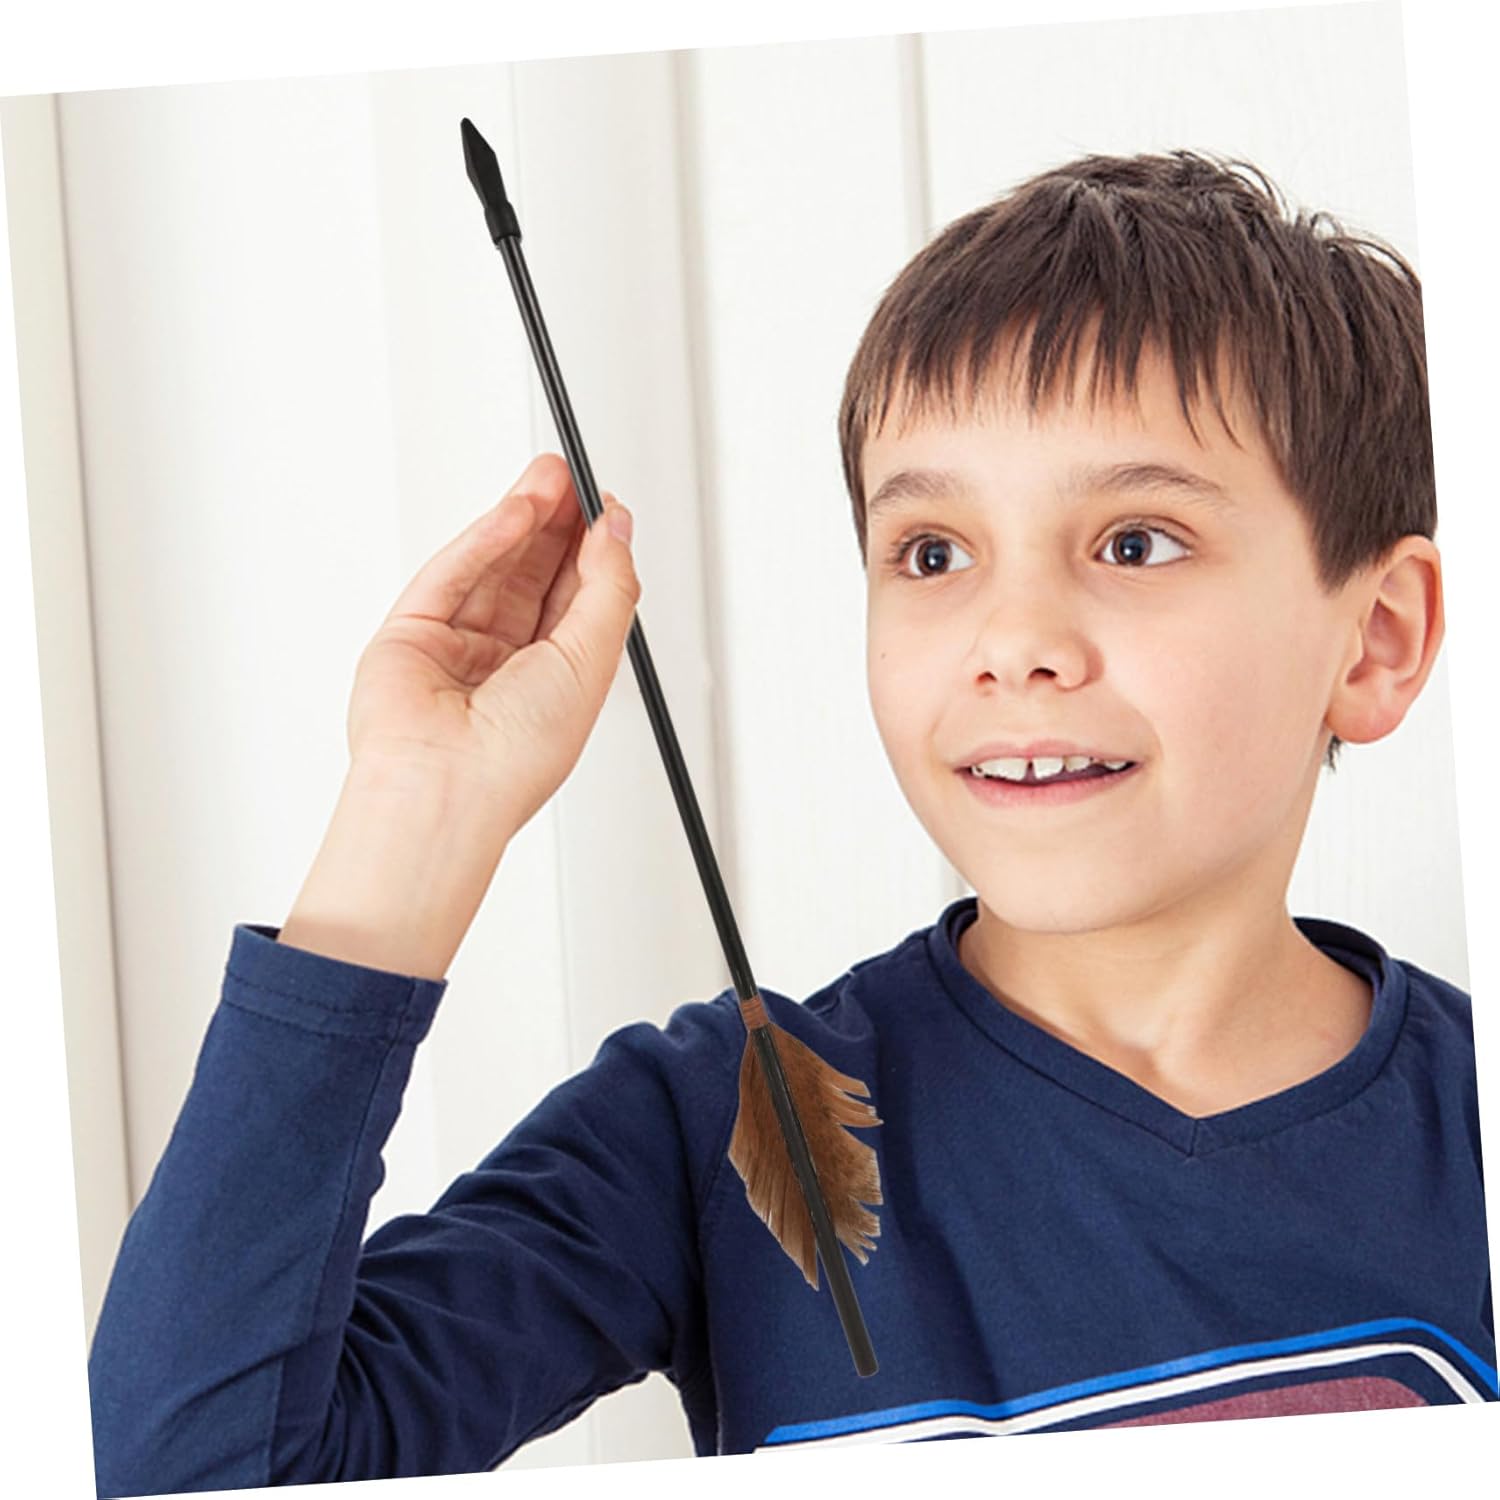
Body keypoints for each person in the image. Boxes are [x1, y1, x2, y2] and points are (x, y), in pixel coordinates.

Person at [87, 151, 1495, 1495]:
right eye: (932, 553)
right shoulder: (710, 1124)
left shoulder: (1467, 1129)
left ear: (1376, 638)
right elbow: (196, 1469)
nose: (1015, 640)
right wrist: (414, 813)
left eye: (1135, 543)